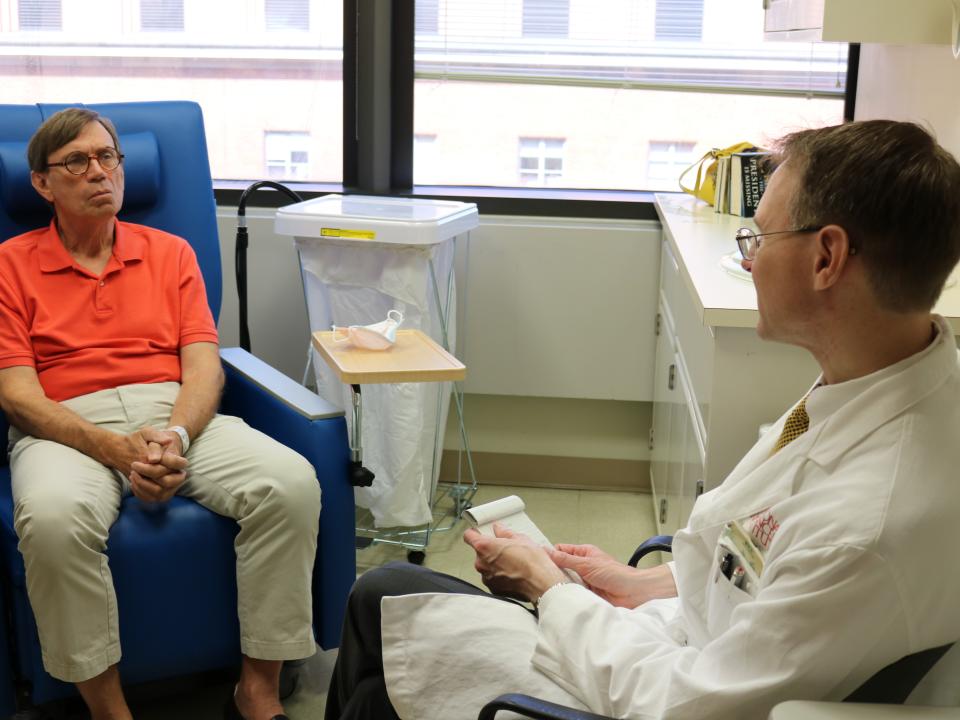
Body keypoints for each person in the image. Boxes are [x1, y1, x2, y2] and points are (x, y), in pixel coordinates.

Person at [324, 119, 960, 720]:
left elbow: (685, 704)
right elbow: (760, 564)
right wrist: (638, 582)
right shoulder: (885, 378)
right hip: (677, 636)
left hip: (658, 687)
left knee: (377, 682)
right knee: (381, 594)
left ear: (827, 258)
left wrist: (552, 591)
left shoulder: (868, 524)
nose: (747, 259)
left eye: (758, 237)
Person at [0, 108, 321, 720]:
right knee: (53, 520)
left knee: (289, 485)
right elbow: (17, 394)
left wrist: (174, 434)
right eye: (77, 161)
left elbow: (204, 367)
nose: (99, 172)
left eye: (108, 157)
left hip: (174, 410)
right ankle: (110, 711)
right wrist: (113, 449)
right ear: (42, 183)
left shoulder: (172, 253)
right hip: (65, 423)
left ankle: (256, 691)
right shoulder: (10, 264)